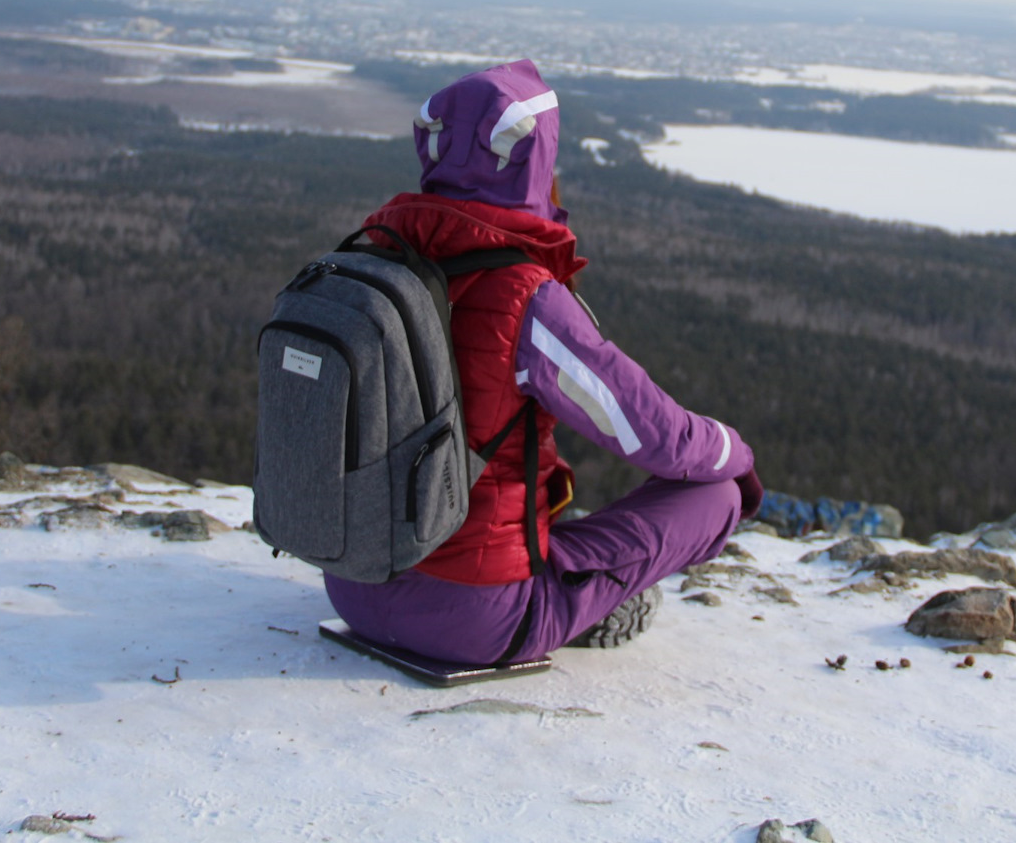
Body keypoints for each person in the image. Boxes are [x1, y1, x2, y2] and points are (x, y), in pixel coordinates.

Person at [322, 59, 762, 665]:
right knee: (716, 497)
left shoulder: (372, 265)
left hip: (353, 584)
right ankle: (591, 605)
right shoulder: (525, 296)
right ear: (535, 163)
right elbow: (650, 433)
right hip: (477, 620)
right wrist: (734, 454)